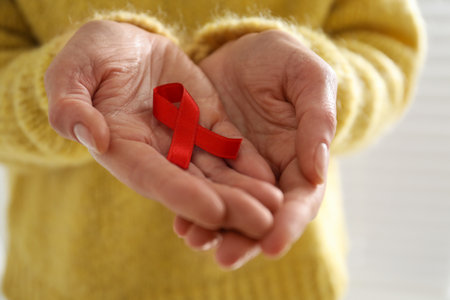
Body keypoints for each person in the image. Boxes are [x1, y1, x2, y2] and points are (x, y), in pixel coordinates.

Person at [0, 0, 425, 299]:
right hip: (66, 283)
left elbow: (387, 47)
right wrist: (62, 93)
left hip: (286, 277)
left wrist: (315, 90)